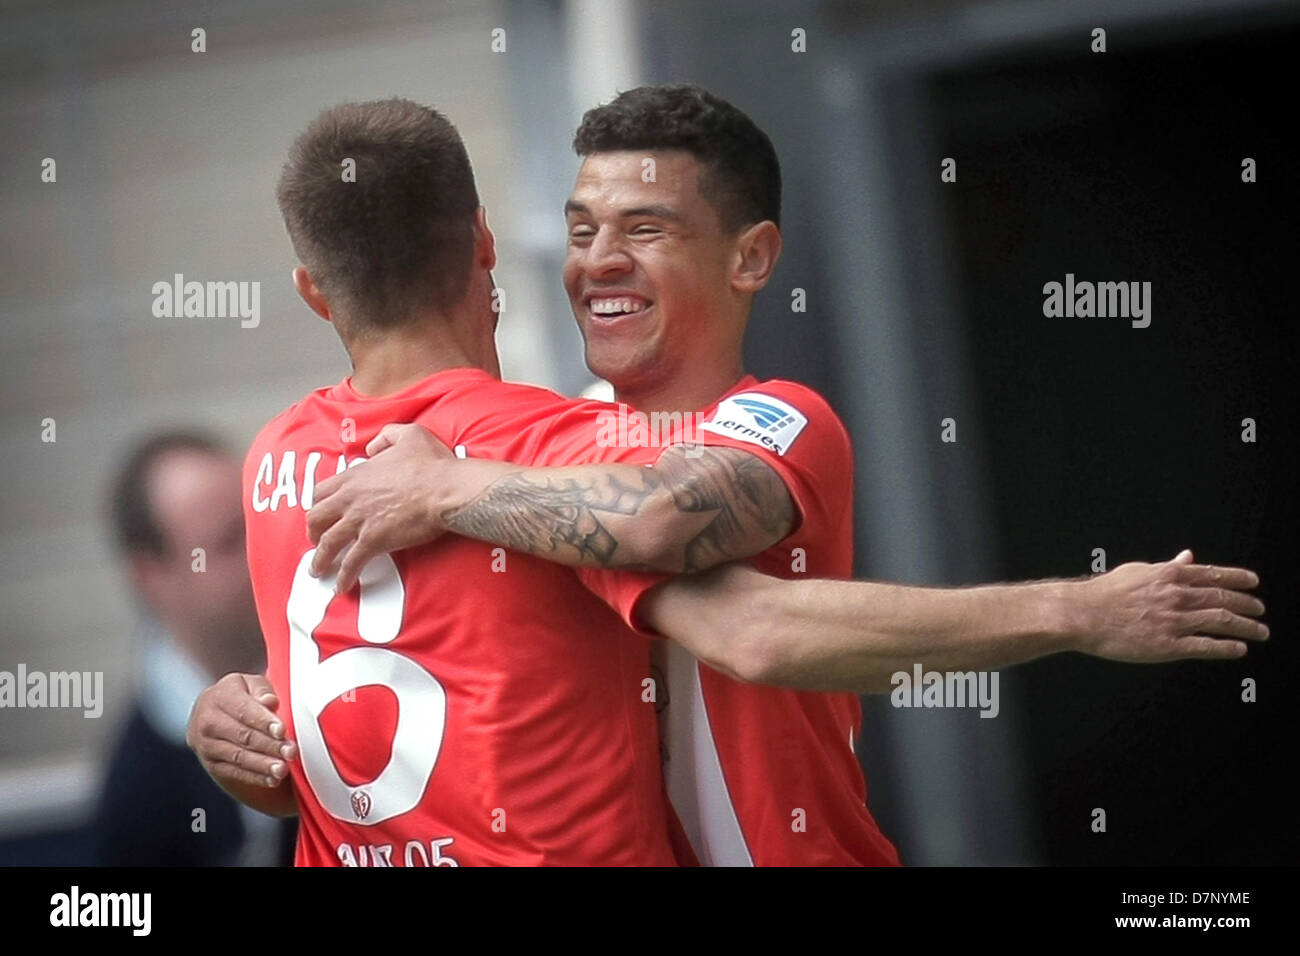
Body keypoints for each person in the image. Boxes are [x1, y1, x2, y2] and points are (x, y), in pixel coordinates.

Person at [189, 95, 1266, 867]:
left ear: (750, 258)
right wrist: (240, 728)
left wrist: (1081, 605)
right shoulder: (541, 439)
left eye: (644, 228)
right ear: (486, 246)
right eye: (580, 229)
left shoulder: (772, 415)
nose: (597, 259)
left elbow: (703, 567)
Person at [92, 431, 294, 866]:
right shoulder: (139, 781)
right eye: (227, 542)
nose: (261, 549)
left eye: (258, 520)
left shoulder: (337, 674)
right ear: (151, 575)